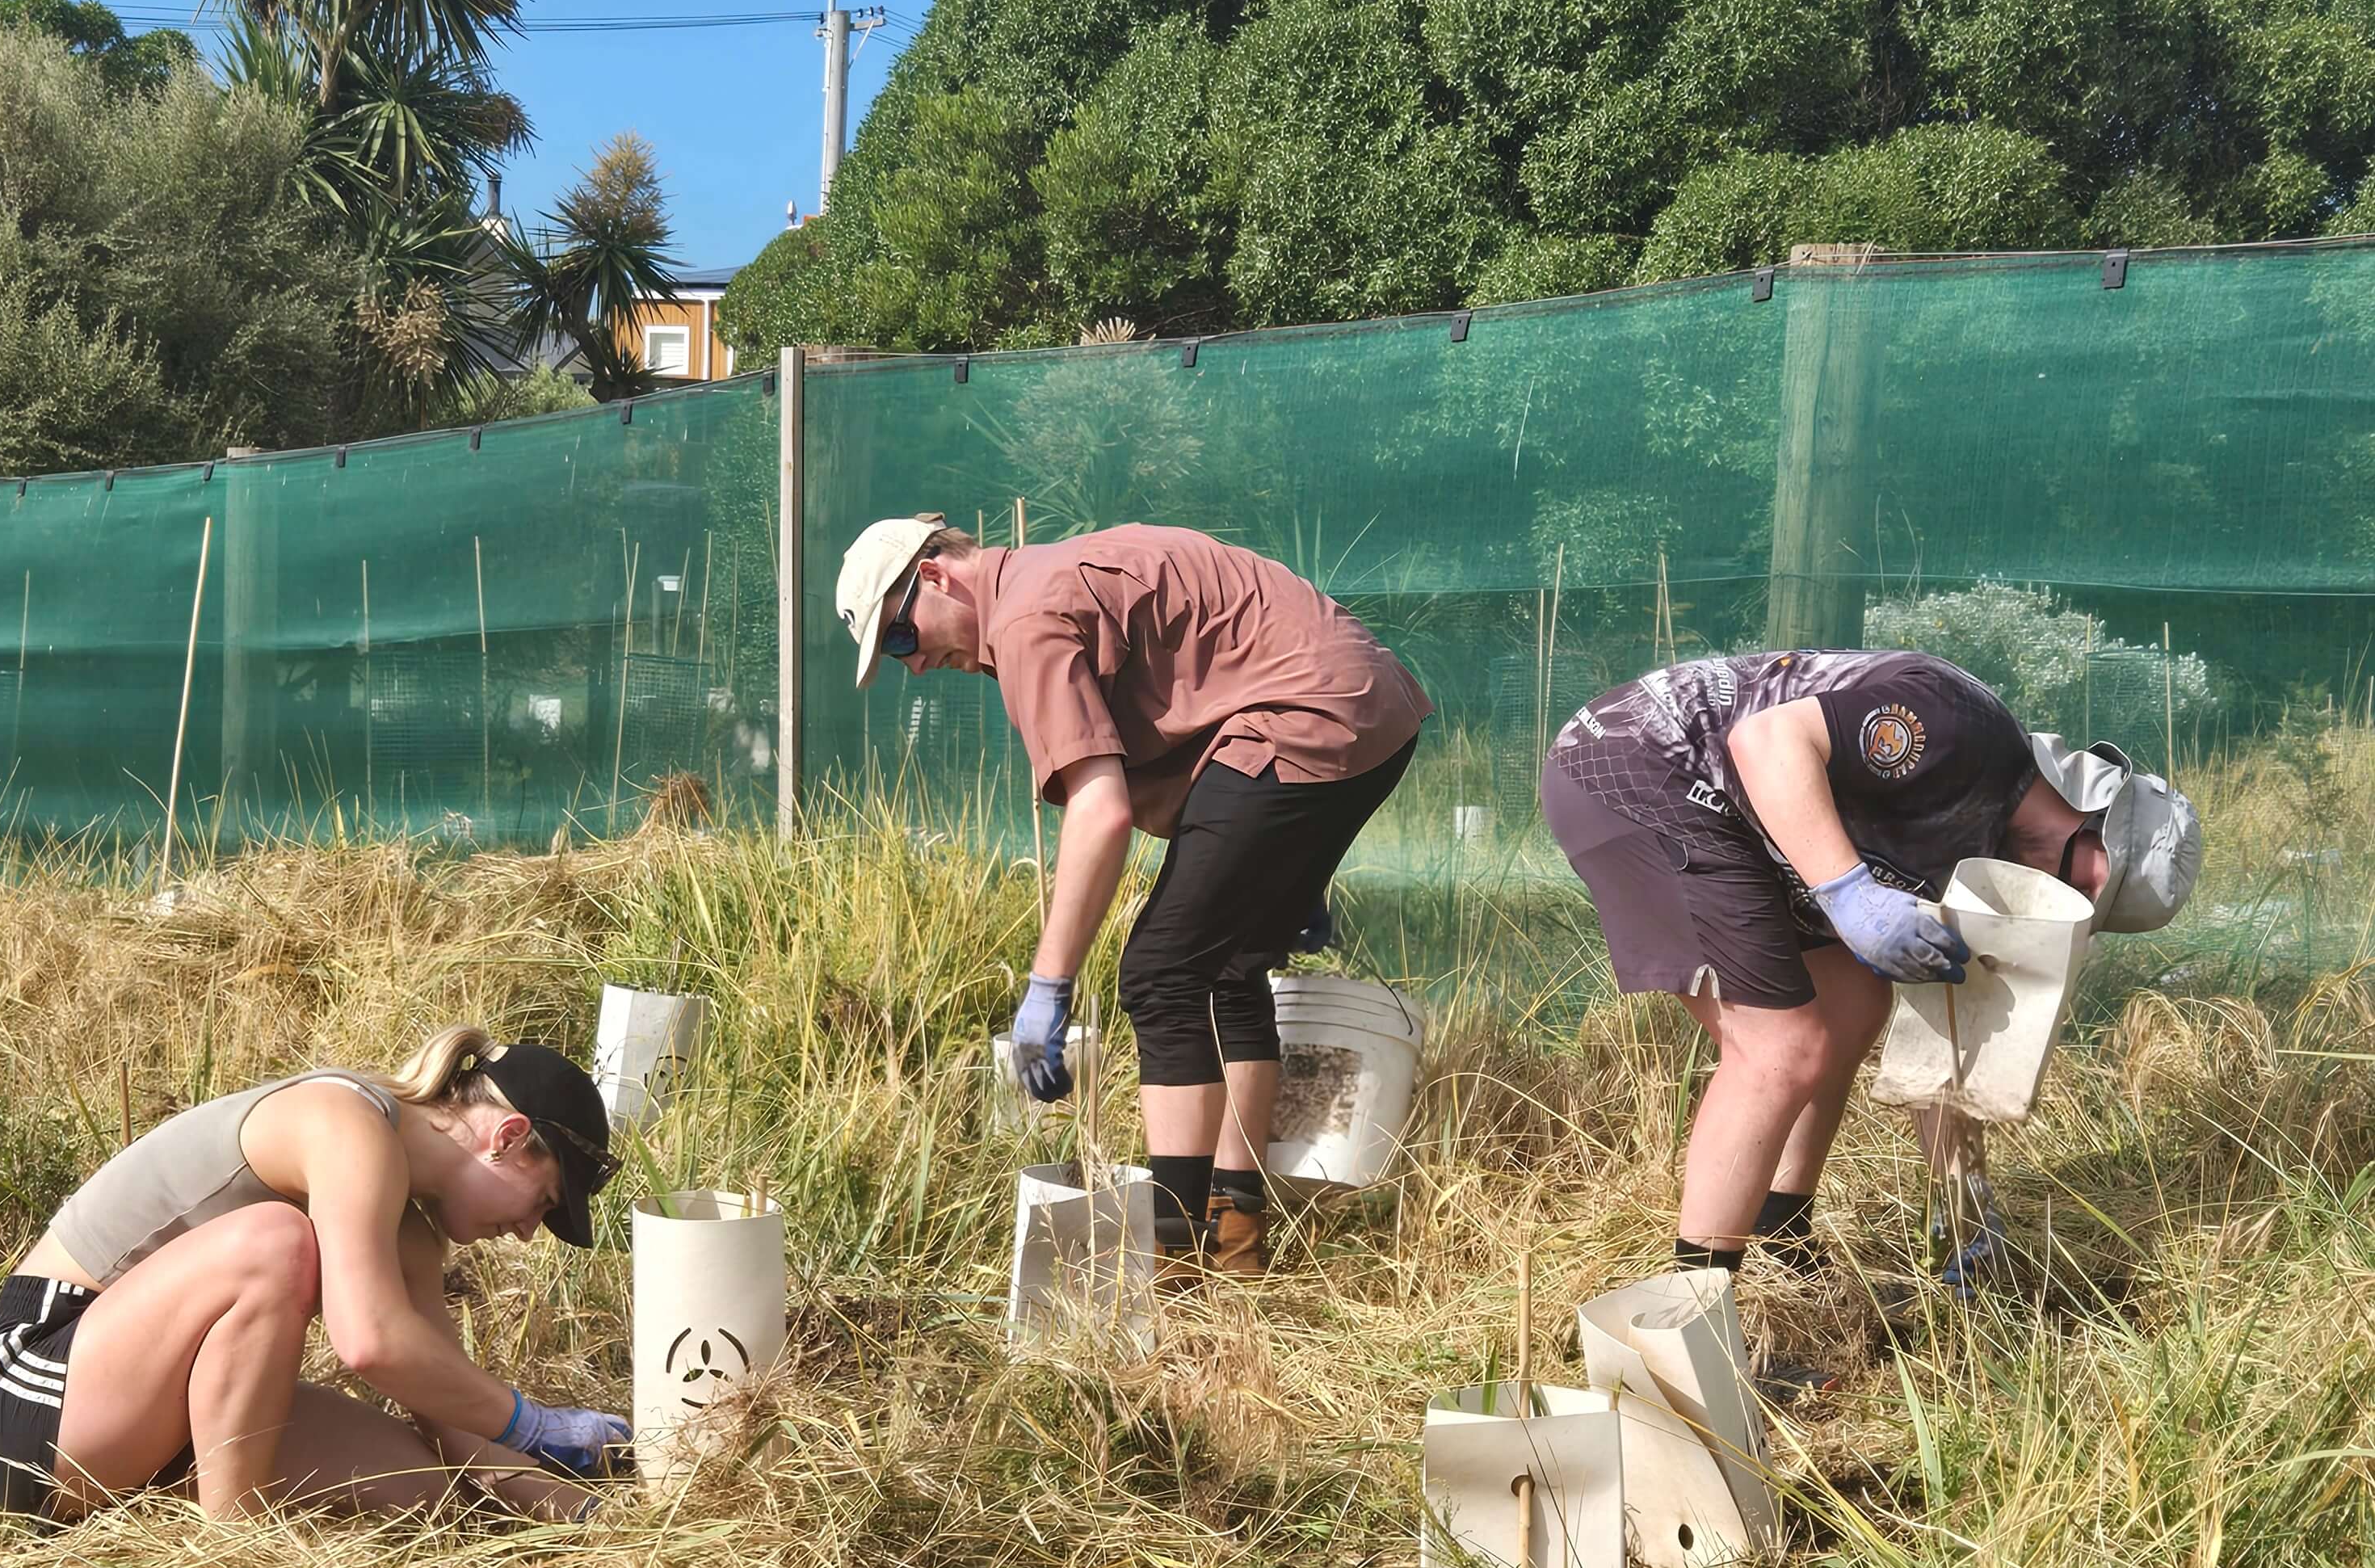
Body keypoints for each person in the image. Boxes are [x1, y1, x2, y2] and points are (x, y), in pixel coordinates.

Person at [834, 515, 1430, 1277]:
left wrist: (1048, 985)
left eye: (899, 639)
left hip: (1303, 719)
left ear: (937, 576)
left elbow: (1103, 812)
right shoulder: (1051, 580)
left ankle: (1173, 1265)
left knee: (1160, 974)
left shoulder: (1024, 620)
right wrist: (1274, 862)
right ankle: (1235, 1239)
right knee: (1225, 966)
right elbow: (1158, 795)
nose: (912, 666)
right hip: (1369, 708)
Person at [1541, 648, 2201, 1287]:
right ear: (2096, 821)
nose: (2075, 908)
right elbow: (1766, 742)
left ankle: (1781, 1243)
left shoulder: (1996, 871)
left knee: (1854, 1008)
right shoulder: (1960, 726)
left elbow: (1948, 1033)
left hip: (1726, 812)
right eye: (2094, 891)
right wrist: (1847, 893)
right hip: (1640, 762)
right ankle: (1693, 1323)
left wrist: (1961, 1202)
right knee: (1780, 1049)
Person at [0, 1029, 628, 1527]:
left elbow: (455, 1424)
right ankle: (235, 1555)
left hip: (147, 1412)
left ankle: (162, 1503)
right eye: (542, 1202)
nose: (527, 1231)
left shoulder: (410, 1231)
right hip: (30, 1389)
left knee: (424, 1496)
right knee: (280, 1242)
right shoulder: (345, 1122)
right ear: (507, 1138)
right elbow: (369, 1343)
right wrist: (533, 1422)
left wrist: (592, 1519)